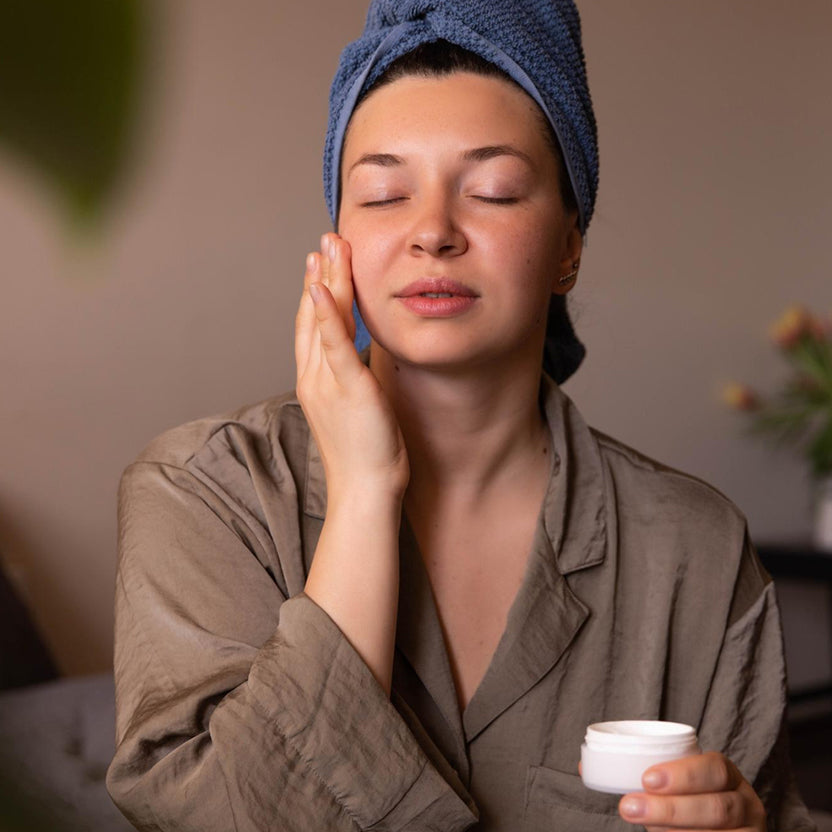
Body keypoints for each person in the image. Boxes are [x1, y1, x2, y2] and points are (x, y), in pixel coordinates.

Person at [106, 1, 815, 830]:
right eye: (382, 194)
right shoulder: (204, 495)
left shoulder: (695, 549)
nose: (433, 232)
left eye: (493, 190)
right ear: (337, 239)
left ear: (568, 246)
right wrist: (366, 491)